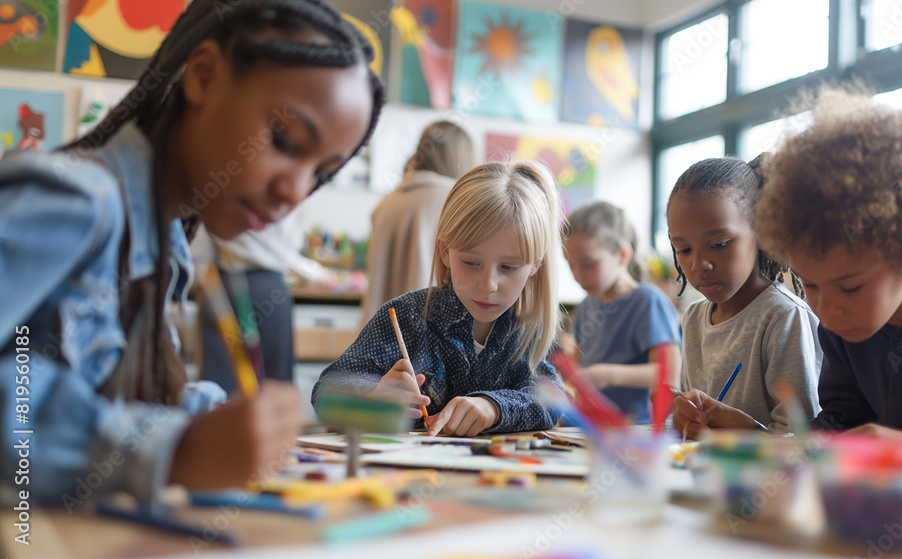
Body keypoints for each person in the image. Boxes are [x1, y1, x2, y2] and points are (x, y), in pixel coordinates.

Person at [0, 0, 384, 507]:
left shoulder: (167, 246)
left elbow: (112, 395)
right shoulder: (78, 199)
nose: (295, 191)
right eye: (286, 140)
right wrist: (173, 449)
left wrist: (216, 421)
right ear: (204, 76)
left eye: (322, 173)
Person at [680, 88, 902, 444]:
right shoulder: (846, 329)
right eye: (810, 284)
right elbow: (836, 428)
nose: (827, 312)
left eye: (850, 287)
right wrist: (755, 437)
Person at [313, 160, 564, 437]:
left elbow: (555, 401)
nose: (488, 285)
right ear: (445, 251)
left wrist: (495, 407)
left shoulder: (530, 330)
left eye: (508, 267)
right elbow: (325, 394)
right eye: (470, 263)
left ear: (535, 264)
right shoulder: (406, 317)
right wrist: (372, 396)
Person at [667, 155, 822, 435]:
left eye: (719, 244)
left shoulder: (783, 317)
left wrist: (743, 432)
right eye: (684, 249)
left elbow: (802, 438)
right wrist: (684, 419)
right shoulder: (693, 318)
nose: (699, 264)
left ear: (763, 232)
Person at [562, 201, 682, 423]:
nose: (577, 275)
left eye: (588, 264)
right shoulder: (586, 306)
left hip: (637, 429)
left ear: (623, 254)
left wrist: (609, 375)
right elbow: (578, 365)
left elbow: (670, 374)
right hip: (590, 428)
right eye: (571, 265)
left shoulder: (648, 302)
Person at [193, 209, 331, 395]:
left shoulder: (219, 198)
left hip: (225, 284)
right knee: (275, 382)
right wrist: (311, 270)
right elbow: (291, 243)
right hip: (267, 287)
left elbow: (200, 250)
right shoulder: (284, 199)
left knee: (222, 383)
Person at [361, 120, 476, 322]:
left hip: (380, 331)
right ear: (462, 157)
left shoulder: (385, 203)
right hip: (428, 332)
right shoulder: (460, 202)